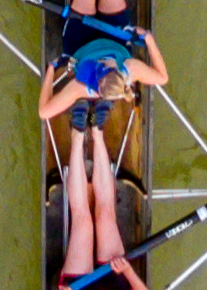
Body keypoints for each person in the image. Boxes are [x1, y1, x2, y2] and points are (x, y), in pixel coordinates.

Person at [49, 118, 146, 287]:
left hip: (81, 286)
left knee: (83, 221)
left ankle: (77, 135)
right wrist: (127, 270)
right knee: (106, 215)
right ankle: (97, 131)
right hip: (114, 283)